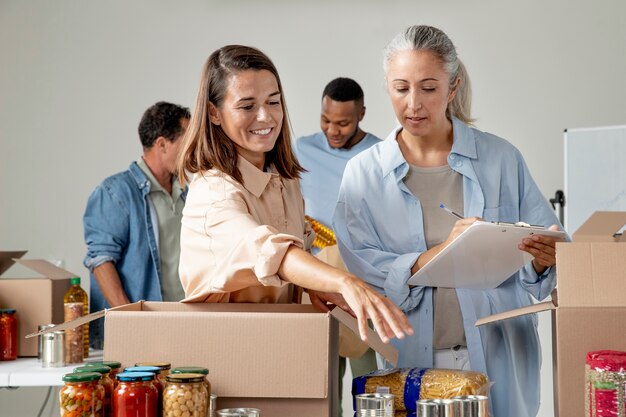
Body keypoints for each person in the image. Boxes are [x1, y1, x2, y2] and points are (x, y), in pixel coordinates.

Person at [333, 25, 563, 417]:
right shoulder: (362, 175)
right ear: (387, 87)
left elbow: (543, 265)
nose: (413, 104)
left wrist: (544, 258)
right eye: (401, 88)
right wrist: (439, 254)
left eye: (428, 87)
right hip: (411, 363)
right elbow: (365, 276)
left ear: (452, 88)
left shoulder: (501, 159)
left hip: (498, 357)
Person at [176, 44, 412, 348]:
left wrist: (320, 288)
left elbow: (294, 260)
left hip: (282, 345)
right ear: (214, 113)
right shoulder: (214, 192)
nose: (265, 116)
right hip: (226, 351)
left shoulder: (284, 180)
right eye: (247, 106)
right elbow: (272, 253)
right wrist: (343, 281)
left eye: (273, 102)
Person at [293, 77, 381, 411]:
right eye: (326, 120)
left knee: (369, 380)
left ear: (361, 114)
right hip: (314, 278)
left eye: (343, 123)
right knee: (323, 380)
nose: (333, 130)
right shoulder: (302, 149)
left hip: (362, 278)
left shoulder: (380, 153)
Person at [83, 101, 191, 348]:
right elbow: (101, 262)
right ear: (162, 144)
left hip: (183, 324)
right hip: (137, 331)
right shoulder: (114, 192)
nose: (193, 151)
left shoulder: (189, 192)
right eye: (187, 142)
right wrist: (132, 320)